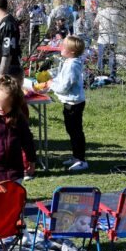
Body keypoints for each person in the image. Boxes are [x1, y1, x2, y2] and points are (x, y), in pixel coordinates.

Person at [47, 36, 88, 172]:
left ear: (72, 51)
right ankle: (76, 157)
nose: (61, 48)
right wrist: (50, 83)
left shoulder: (72, 65)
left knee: (76, 132)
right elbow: (60, 79)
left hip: (74, 103)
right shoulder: (68, 62)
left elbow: (64, 87)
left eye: (64, 46)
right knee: (71, 130)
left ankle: (81, 160)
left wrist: (51, 85)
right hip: (70, 102)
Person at [95, 2, 120, 78]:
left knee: (101, 57)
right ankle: (113, 74)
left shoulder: (101, 12)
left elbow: (95, 23)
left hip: (103, 38)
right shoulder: (116, 12)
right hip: (113, 38)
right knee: (112, 57)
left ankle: (100, 73)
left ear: (106, 3)